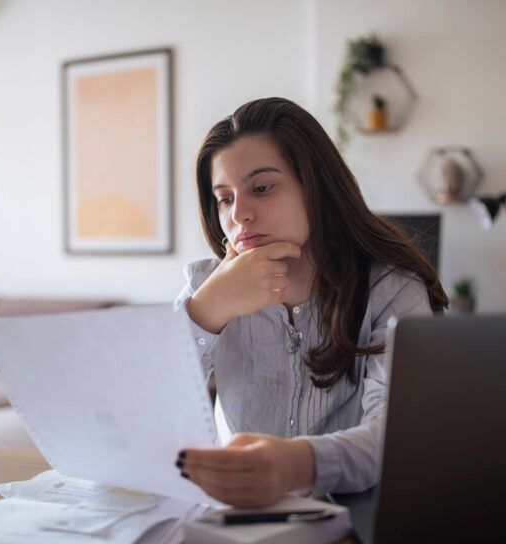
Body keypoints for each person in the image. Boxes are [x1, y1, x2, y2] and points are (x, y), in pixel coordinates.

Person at [173, 97, 448, 508]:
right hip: (233, 521)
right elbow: (141, 415)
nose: (239, 215)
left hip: (352, 521)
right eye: (225, 198)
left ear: (316, 187)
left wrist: (299, 464)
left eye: (261, 188)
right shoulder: (203, 285)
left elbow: (397, 432)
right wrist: (205, 313)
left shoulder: (392, 288)